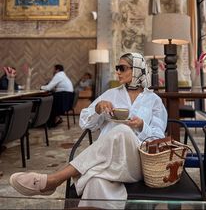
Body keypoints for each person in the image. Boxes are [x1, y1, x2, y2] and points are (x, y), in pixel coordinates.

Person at [9, 53, 167, 207]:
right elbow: (85, 123)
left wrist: (141, 126)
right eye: (116, 68)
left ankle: (56, 179)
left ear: (137, 70)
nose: (117, 71)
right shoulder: (110, 94)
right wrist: (98, 109)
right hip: (106, 163)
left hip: (137, 162)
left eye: (122, 68)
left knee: (123, 130)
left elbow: (158, 139)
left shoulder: (154, 101)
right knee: (94, 181)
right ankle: (63, 180)